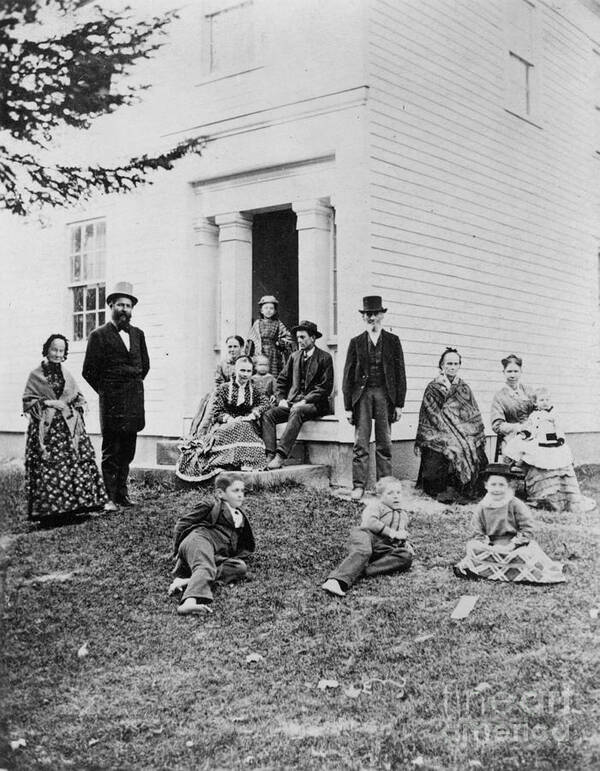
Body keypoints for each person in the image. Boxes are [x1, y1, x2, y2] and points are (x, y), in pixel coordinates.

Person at [22, 334, 107, 522]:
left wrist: (78, 404)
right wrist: (52, 403)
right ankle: (51, 512)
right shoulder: (36, 375)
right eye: (54, 349)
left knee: (74, 463)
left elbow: (77, 395)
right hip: (48, 429)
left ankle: (74, 508)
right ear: (47, 350)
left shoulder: (67, 374)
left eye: (61, 351)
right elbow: (29, 401)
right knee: (50, 466)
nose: (57, 354)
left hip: (68, 427)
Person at [82, 281, 150, 512]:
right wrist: (108, 390)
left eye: (128, 305)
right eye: (120, 304)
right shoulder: (98, 335)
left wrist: (132, 386)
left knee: (128, 449)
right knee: (111, 450)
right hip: (111, 403)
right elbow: (89, 371)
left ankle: (122, 494)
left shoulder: (138, 334)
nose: (124, 309)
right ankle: (109, 498)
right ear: (110, 305)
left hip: (133, 401)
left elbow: (145, 366)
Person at [454, 464, 565, 583]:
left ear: (508, 485)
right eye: (493, 484)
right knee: (472, 547)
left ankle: (509, 571)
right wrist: (486, 544)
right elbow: (477, 530)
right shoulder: (482, 506)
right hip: (491, 546)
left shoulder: (515, 504)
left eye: (501, 485)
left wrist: (513, 545)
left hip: (514, 546)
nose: (497, 489)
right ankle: (486, 568)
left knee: (523, 555)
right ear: (486, 486)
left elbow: (527, 528)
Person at [342, 295, 406, 500]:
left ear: (382, 315)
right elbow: (347, 375)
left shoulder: (393, 341)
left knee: (384, 443)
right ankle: (359, 485)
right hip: (363, 395)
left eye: (375, 314)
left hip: (384, 395)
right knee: (361, 442)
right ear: (363, 317)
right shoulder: (356, 342)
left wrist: (399, 404)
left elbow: (400, 373)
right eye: (368, 314)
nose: (371, 318)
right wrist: (348, 407)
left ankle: (384, 486)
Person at [168, 472, 255, 615]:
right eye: (235, 491)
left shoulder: (240, 517)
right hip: (198, 540)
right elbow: (182, 524)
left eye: (242, 491)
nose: (240, 495)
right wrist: (176, 552)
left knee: (239, 567)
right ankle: (188, 602)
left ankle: (185, 582)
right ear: (221, 493)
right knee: (205, 565)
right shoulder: (211, 505)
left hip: (214, 553)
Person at [176, 357, 269, 482]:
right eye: (242, 370)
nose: (245, 374)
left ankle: (244, 463)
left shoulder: (254, 390)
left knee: (245, 427)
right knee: (229, 431)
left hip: (246, 422)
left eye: (248, 371)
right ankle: (226, 461)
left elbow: (265, 402)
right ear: (235, 371)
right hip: (226, 423)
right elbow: (217, 411)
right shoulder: (224, 388)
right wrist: (228, 419)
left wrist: (253, 414)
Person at [503, 388, 595, 513]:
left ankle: (562, 494)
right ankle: (542, 493)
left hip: (553, 443)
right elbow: (531, 429)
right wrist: (526, 434)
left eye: (547, 400)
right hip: (539, 442)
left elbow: (559, 428)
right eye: (541, 400)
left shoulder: (554, 415)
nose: (545, 402)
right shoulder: (534, 415)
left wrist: (560, 438)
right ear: (536, 403)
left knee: (558, 463)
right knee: (526, 449)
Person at [415, 347, 487, 503]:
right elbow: (431, 414)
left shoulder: (464, 387)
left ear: (459, 365)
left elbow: (472, 413)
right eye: (449, 363)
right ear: (442, 365)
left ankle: (468, 488)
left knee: (471, 444)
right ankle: (445, 489)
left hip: (462, 430)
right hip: (438, 430)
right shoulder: (433, 387)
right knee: (451, 445)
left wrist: (467, 431)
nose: (452, 367)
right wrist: (451, 433)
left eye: (456, 363)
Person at [321, 476, 413, 597]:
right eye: (390, 493)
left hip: (384, 546)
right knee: (363, 551)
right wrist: (392, 533)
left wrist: (406, 543)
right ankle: (336, 581)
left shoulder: (403, 515)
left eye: (398, 492)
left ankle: (362, 570)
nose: (396, 496)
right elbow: (370, 523)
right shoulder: (376, 506)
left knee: (405, 557)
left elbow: (401, 533)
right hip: (367, 536)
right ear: (380, 496)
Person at [262, 320, 334, 470]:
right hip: (293, 403)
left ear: (313, 338)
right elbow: (281, 381)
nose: (299, 341)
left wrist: (305, 400)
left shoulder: (325, 358)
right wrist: (281, 399)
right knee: (268, 414)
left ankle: (280, 456)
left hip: (315, 405)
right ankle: (269, 454)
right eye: (298, 337)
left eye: (303, 337)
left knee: (297, 410)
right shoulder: (294, 357)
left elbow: (324, 388)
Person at [490, 354, 535, 461]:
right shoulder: (499, 396)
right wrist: (518, 427)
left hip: (533, 433)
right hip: (512, 436)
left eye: (516, 371)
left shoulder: (528, 391)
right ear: (504, 373)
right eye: (509, 371)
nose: (512, 375)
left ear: (521, 372)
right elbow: (497, 425)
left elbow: (539, 409)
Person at [245, 295, 293, 378]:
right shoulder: (257, 323)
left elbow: (287, 337)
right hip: (260, 351)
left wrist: (280, 342)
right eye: (266, 308)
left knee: (273, 372)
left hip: (273, 352)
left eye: (271, 308)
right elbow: (251, 338)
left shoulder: (278, 323)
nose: (268, 310)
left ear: (274, 311)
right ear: (261, 310)